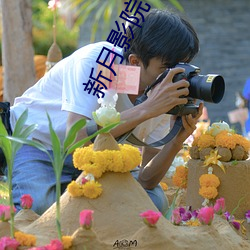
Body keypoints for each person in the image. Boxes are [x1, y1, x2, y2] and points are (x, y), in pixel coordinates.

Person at [6, 8, 202, 215]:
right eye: (166, 68)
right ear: (135, 62)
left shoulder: (165, 89)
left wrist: (176, 140)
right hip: (37, 143)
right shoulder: (98, 61)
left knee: (152, 202)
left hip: (95, 157)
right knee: (39, 208)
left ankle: (71, 200)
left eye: (182, 66)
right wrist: (148, 108)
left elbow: (147, 180)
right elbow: (76, 140)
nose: (176, 76)